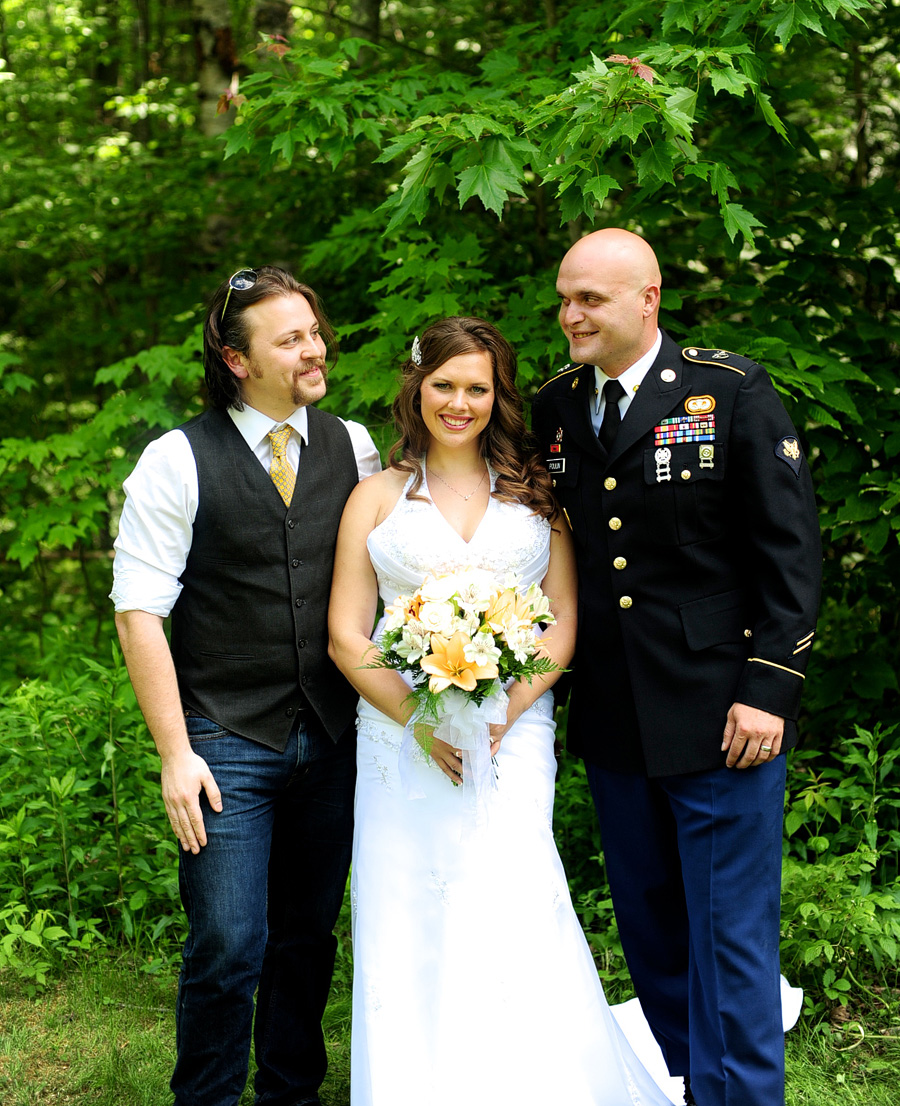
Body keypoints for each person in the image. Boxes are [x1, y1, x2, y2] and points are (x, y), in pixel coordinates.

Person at [328, 316, 676, 1106]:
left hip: (512, 731)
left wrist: (506, 711)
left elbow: (561, 618)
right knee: (410, 904)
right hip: (399, 735)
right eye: (444, 385)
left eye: (477, 388)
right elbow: (347, 634)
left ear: (498, 396)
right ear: (417, 390)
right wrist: (419, 718)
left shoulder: (535, 490)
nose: (460, 402)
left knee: (515, 896)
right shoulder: (375, 497)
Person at [531, 229, 822, 1106]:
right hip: (616, 717)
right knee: (653, 932)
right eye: (564, 298)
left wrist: (769, 687)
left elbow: (792, 554)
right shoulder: (554, 407)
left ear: (648, 299)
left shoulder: (728, 391)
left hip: (719, 712)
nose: (569, 315)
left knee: (728, 934)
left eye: (590, 299)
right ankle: (701, 1085)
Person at [110, 266, 381, 1106]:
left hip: (334, 737)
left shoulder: (356, 445)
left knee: (307, 937)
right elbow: (137, 613)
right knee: (230, 941)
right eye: (290, 338)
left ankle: (291, 1093)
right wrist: (175, 753)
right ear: (236, 358)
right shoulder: (175, 461)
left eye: (314, 330)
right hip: (224, 738)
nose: (315, 348)